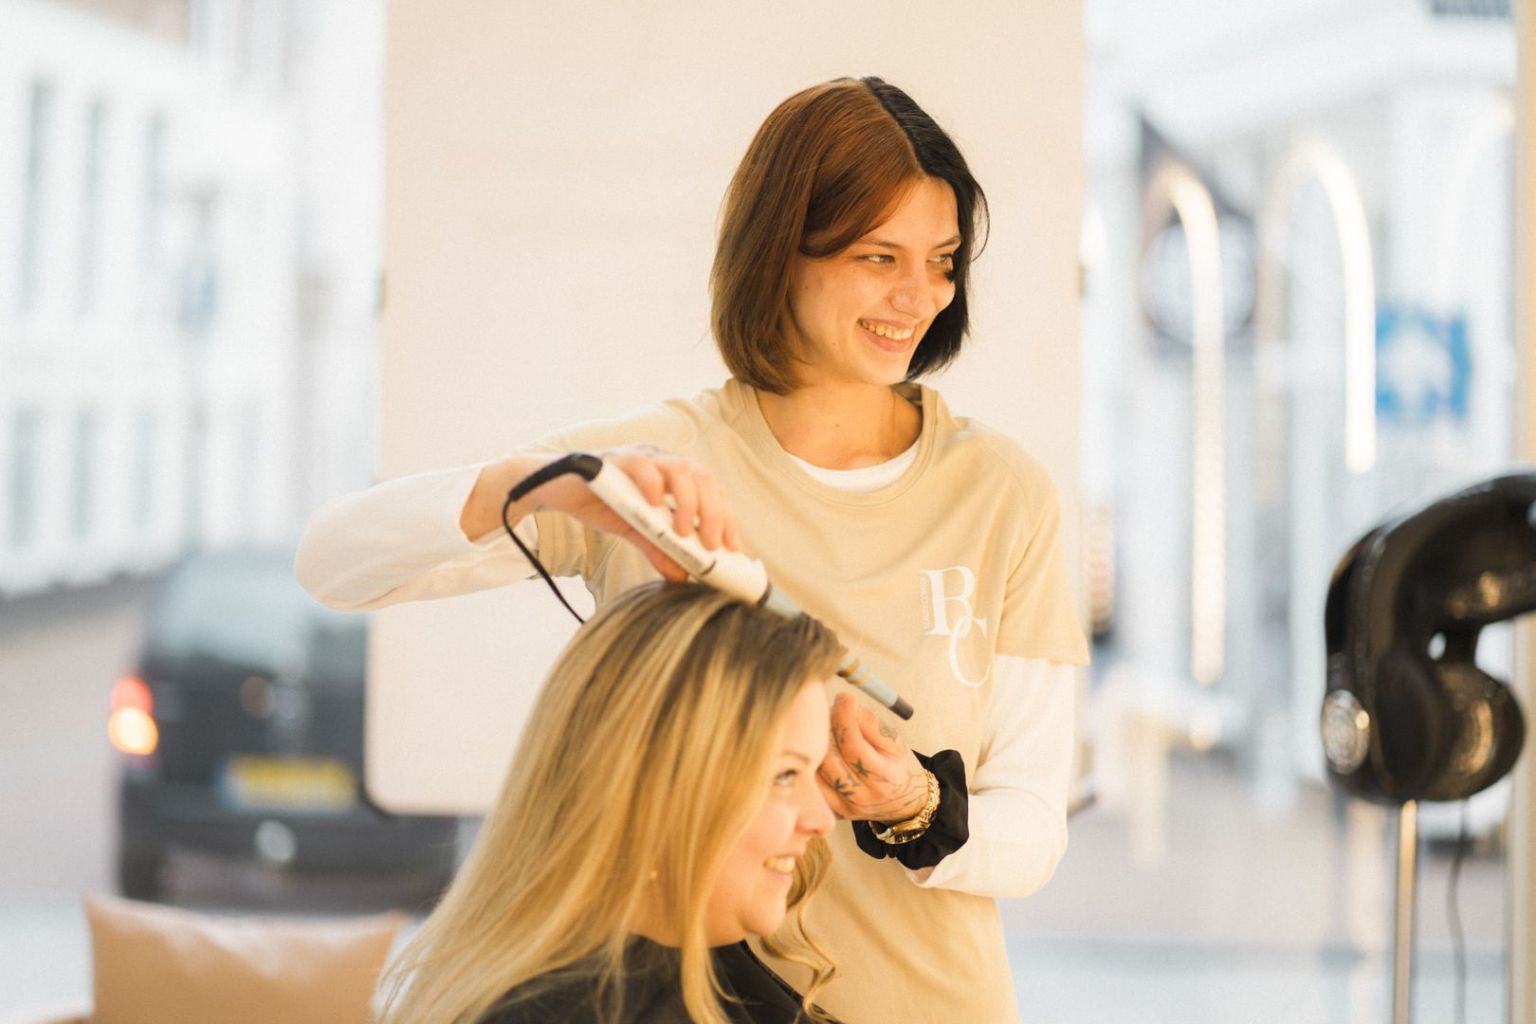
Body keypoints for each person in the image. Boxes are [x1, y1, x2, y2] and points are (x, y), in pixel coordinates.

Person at [299, 76, 1089, 1022]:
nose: (918, 296)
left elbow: (1034, 828)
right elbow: (334, 563)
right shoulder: (652, 477)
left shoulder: (1005, 497)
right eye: (881, 256)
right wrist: (540, 486)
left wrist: (914, 804)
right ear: (781, 252)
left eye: (944, 261)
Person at [381, 582, 843, 1024]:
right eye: (784, 775)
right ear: (658, 786)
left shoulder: (675, 968)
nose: (822, 820)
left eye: (811, 772)